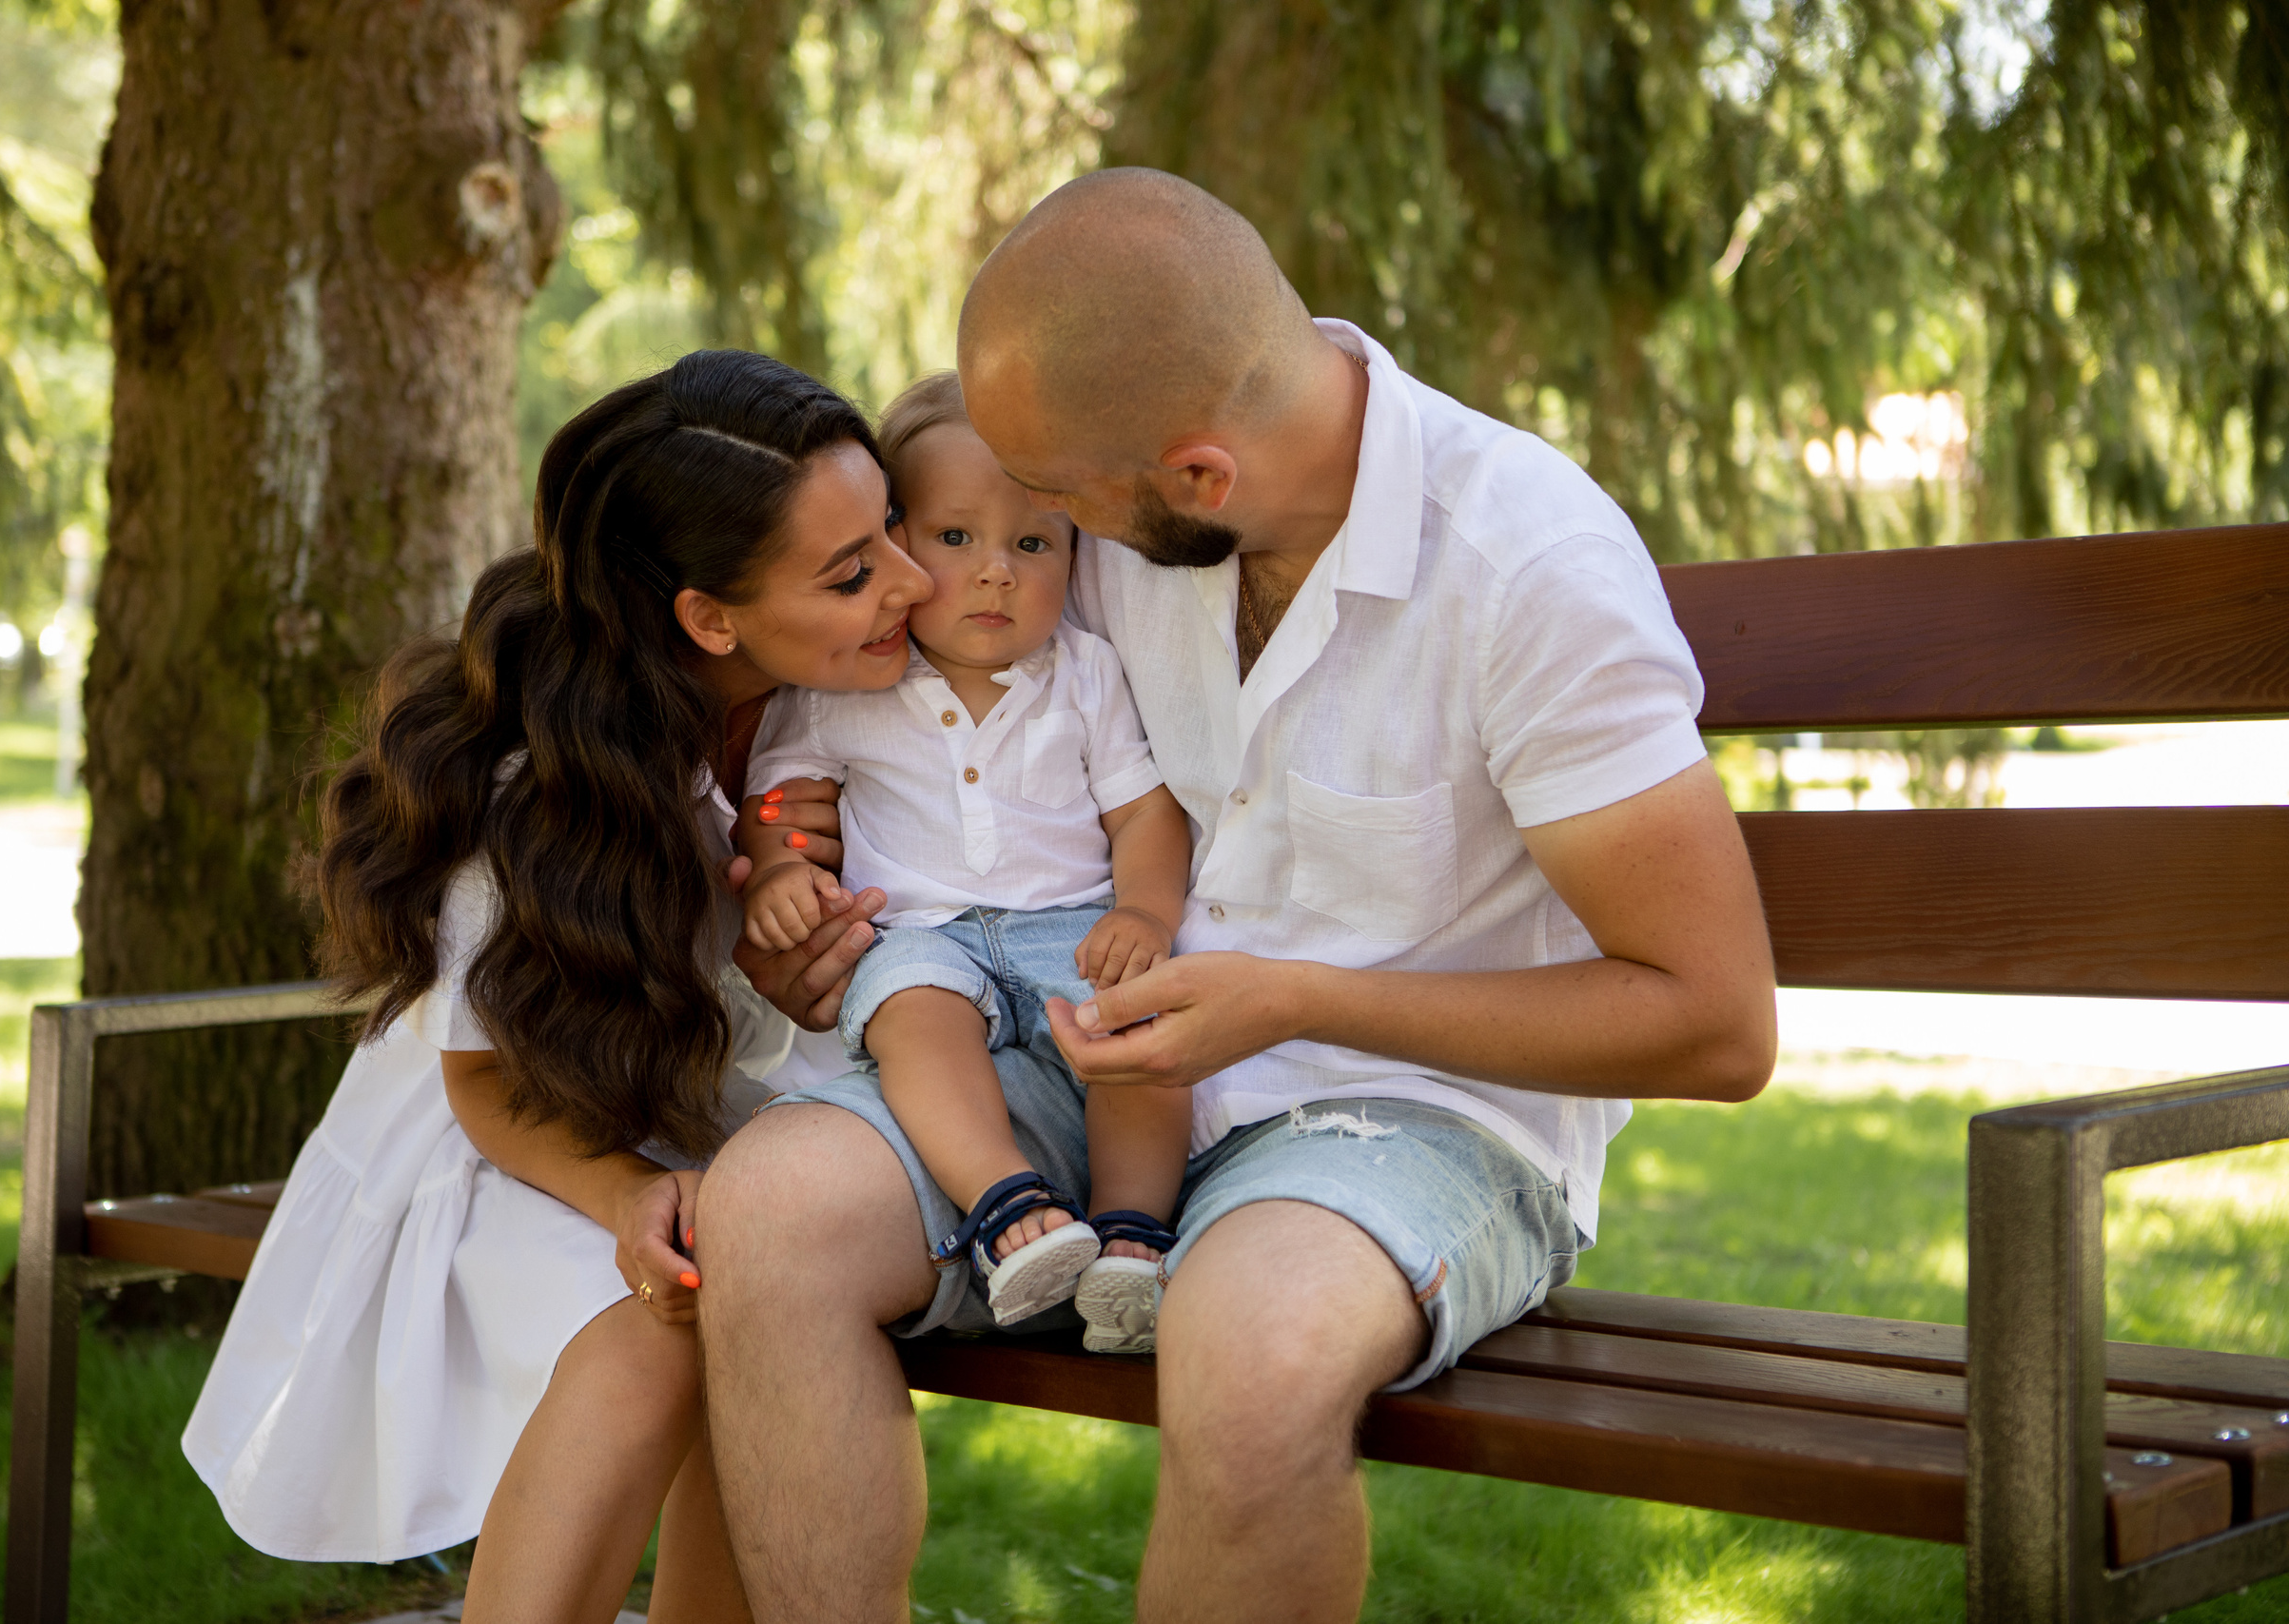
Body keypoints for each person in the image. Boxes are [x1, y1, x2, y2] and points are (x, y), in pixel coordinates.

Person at [696, 169, 1778, 1624]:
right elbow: (890, 689)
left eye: (1060, 506)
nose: (1035, 546)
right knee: (769, 1211)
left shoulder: (1530, 573)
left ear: (1196, 476)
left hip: (1403, 1103)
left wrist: (1289, 999)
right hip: (1095, 1053)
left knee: (1252, 1350)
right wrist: (796, 867)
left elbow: (1716, 1023)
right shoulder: (1146, 522)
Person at [182, 350, 919, 1624]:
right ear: (709, 617)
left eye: (893, 530)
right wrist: (631, 1191)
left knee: (778, 1302)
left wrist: (765, 984)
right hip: (508, 1149)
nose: (911, 580)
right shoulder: (535, 779)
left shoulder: (853, 713)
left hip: (701, 1124)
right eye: (853, 571)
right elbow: (479, 1078)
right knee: (672, 1319)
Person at [734, 371, 1194, 1344]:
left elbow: (1144, 815)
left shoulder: (1082, 673)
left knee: (1138, 1027)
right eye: (956, 538)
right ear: (895, 541)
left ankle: (1133, 1233)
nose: (996, 571)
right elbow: (780, 793)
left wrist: (1145, 916)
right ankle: (1005, 1205)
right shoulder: (850, 686)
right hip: (921, 934)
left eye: (1032, 544)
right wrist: (778, 866)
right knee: (912, 1017)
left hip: (1071, 925)